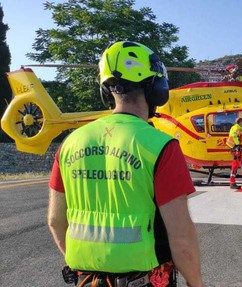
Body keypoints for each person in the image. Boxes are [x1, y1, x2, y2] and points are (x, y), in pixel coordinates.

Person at [47, 41, 204, 287]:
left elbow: (56, 221)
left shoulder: (70, 143)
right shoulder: (160, 146)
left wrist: (90, 270)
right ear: (156, 88)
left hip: (87, 280)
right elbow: (181, 237)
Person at [226, 117, 242, 189]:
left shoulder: (236, 127)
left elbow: (241, 129)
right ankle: (232, 183)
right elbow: (235, 136)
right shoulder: (236, 128)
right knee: (235, 166)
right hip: (236, 149)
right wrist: (237, 145)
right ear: (240, 122)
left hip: (236, 148)